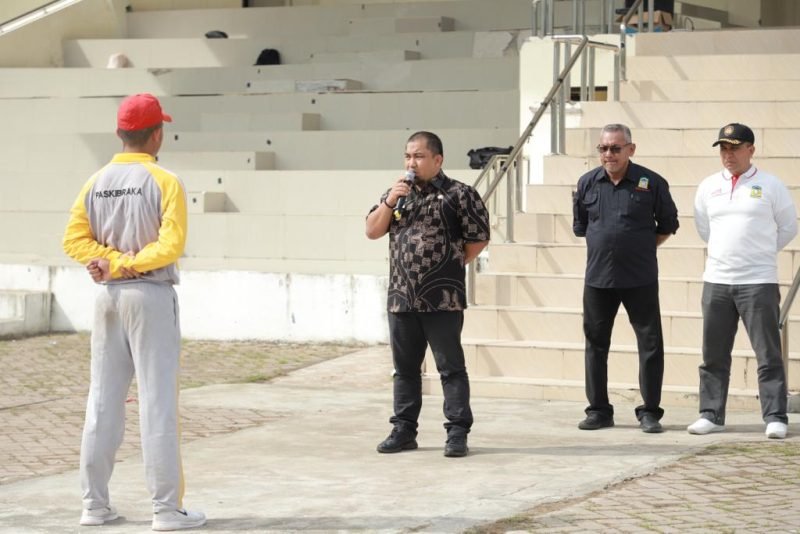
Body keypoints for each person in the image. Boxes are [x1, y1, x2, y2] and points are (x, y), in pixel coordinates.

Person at [62, 93, 206, 530]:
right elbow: (170, 246)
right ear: (157, 133)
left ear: (120, 133)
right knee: (158, 401)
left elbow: (73, 239)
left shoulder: (95, 180)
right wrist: (125, 262)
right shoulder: (165, 180)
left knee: (103, 402)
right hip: (149, 293)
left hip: (107, 296)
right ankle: (166, 510)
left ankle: (94, 505)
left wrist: (105, 260)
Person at [365, 131, 490, 457]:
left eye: (418, 156)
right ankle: (404, 430)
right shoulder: (397, 194)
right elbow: (372, 230)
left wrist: (450, 264)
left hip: (442, 299)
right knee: (405, 370)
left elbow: (478, 237)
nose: (411, 163)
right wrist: (391, 200)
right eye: (408, 156)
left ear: (438, 159)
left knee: (450, 368)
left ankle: (457, 432)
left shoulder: (460, 194)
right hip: (402, 298)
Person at [689, 123, 797, 439]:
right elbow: (704, 227)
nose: (728, 154)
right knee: (713, 354)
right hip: (717, 281)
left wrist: (759, 251)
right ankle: (711, 414)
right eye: (723, 148)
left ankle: (775, 415)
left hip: (758, 281)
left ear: (751, 149)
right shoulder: (709, 186)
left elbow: (788, 227)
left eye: (734, 147)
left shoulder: (771, 185)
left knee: (768, 353)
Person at [572, 123, 679, 433]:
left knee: (650, 344)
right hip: (598, 279)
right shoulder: (587, 183)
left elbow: (668, 224)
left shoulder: (652, 183)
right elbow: (582, 227)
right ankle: (599, 411)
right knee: (595, 345)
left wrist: (641, 246)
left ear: (631, 149)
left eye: (616, 148)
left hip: (640, 278)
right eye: (603, 148)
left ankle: (650, 411)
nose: (609, 154)